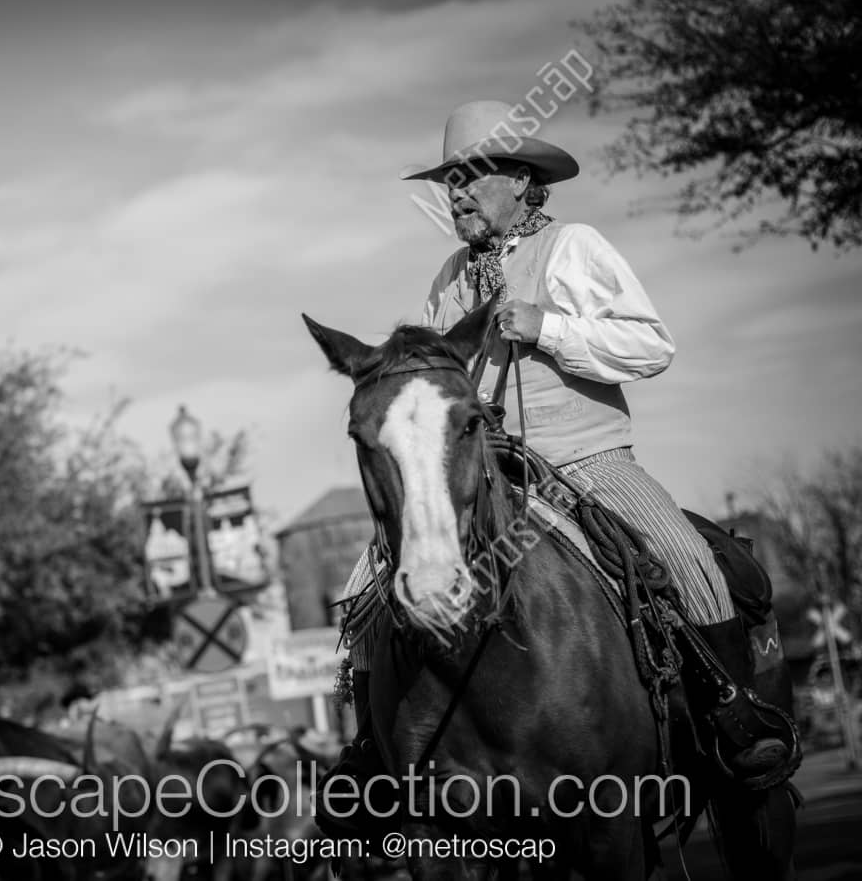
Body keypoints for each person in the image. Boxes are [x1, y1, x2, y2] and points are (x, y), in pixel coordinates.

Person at [316, 100, 792, 838]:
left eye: (471, 177)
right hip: (492, 471)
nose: (457, 193)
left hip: (589, 458)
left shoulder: (575, 246)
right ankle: (372, 753)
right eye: (449, 181)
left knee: (685, 555)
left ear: (520, 178)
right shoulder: (447, 279)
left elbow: (651, 343)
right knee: (367, 588)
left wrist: (550, 327)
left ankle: (734, 713)